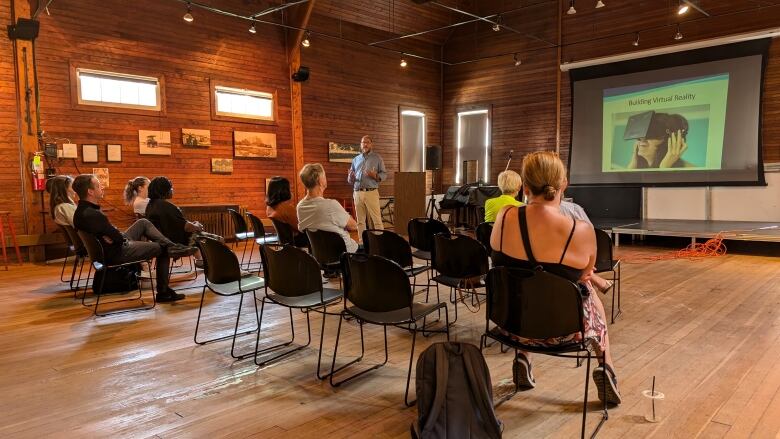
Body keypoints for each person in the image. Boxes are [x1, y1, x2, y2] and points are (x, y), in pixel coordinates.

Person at [490, 151, 621, 405]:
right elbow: (586, 273)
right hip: (567, 330)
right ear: (563, 185)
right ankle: (606, 368)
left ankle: (523, 357)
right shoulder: (580, 230)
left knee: (523, 284)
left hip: (511, 324)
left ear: (525, 187)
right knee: (588, 292)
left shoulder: (504, 217)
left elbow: (497, 255)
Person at [72, 174, 196, 302]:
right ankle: (163, 292)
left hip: (112, 246)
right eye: (98, 185)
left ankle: (173, 246)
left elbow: (111, 234)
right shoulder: (92, 214)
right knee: (162, 248)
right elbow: (117, 239)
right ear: (90, 191)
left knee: (143, 223)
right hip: (116, 252)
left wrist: (112, 235)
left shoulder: (83, 211)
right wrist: (115, 235)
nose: (101, 187)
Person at [144, 177, 222, 268]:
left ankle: (202, 261)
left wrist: (193, 225)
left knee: (198, 233)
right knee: (219, 239)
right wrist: (197, 225)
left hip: (163, 242)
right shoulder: (166, 206)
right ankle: (221, 267)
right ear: (164, 190)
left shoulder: (150, 206)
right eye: (171, 188)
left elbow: (176, 223)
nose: (172, 190)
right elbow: (187, 227)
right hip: (179, 242)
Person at [298, 163, 359, 257]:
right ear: (320, 181)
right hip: (344, 254)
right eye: (324, 175)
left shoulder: (300, 207)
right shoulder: (331, 205)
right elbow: (354, 226)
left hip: (318, 254)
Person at [347, 135, 387, 237]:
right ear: (360, 145)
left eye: (367, 142)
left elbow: (384, 174)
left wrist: (375, 176)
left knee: (376, 220)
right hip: (357, 192)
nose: (365, 144)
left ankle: (380, 242)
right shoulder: (355, 159)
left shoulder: (377, 158)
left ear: (371, 144)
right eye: (363, 142)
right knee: (360, 221)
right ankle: (362, 242)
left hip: (371, 192)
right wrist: (350, 177)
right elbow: (350, 179)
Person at [627, 113, 694, 169]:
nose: (642, 140)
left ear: (670, 141)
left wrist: (664, 167)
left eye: (653, 134)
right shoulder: (637, 166)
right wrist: (633, 164)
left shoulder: (690, 169)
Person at [266, 176, 308, 247]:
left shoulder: (269, 207)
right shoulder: (286, 208)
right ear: (284, 190)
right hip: (297, 241)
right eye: (289, 188)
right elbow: (302, 227)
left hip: (285, 242)